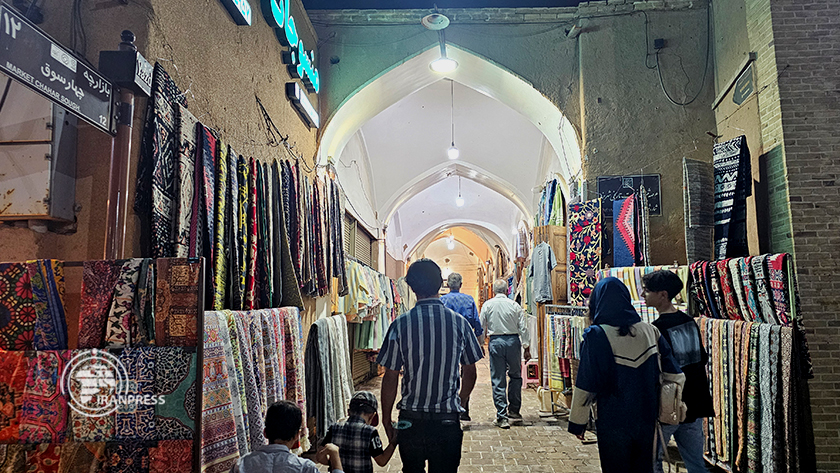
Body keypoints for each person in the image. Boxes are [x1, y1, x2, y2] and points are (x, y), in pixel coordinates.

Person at [376, 259, 484, 473]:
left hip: (411, 421)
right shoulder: (460, 324)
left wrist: (387, 418)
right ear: (439, 284)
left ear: (412, 287)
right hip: (446, 420)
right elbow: (470, 370)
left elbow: (390, 376)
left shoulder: (400, 324)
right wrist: (460, 400)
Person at [568, 277, 683, 473]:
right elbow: (675, 375)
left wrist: (577, 423)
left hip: (613, 420)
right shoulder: (650, 331)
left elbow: (585, 384)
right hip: (646, 418)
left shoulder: (596, 335)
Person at [643, 270, 715, 473]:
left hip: (669, 405)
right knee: (695, 463)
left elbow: (658, 369)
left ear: (663, 295)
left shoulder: (656, 329)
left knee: (651, 460)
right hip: (694, 402)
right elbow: (702, 358)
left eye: (647, 291)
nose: (643, 295)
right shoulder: (689, 321)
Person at [231, 400, 343, 473]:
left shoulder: (241, 465)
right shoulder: (305, 468)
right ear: (297, 436)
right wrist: (335, 457)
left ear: (265, 433)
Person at [479, 278, 531, 429]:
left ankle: (502, 416)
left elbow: (482, 325)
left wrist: (481, 343)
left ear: (494, 291)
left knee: (498, 378)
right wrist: (526, 347)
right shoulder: (514, 305)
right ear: (508, 290)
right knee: (515, 376)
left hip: (496, 342)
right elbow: (523, 327)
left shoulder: (488, 305)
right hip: (513, 342)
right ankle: (514, 411)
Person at [439, 272, 483, 421]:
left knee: (448, 371)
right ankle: (464, 408)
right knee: (467, 372)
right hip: (465, 337)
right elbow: (477, 322)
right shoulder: (469, 299)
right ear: (461, 285)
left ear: (448, 285)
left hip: (446, 338)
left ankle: (449, 406)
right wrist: (478, 341)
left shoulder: (442, 300)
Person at [320, 391, 397, 473]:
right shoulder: (370, 432)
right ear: (372, 416)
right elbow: (382, 460)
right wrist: (394, 441)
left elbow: (319, 456)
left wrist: (334, 463)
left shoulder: (334, 428)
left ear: (348, 412)